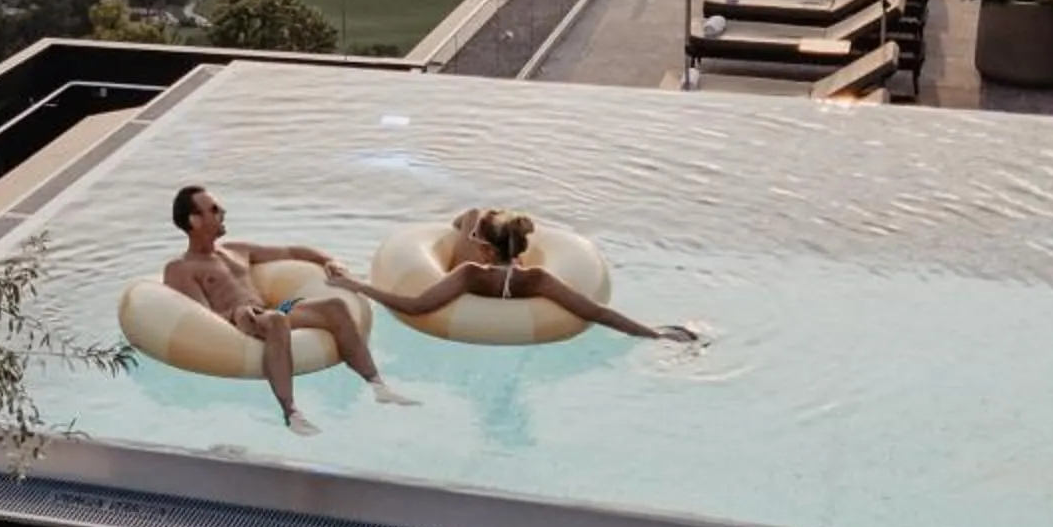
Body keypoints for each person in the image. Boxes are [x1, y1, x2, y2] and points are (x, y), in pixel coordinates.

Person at [162, 185, 418, 435]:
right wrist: (234, 315)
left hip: (269, 310)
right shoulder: (181, 268)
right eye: (214, 209)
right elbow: (200, 319)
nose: (223, 212)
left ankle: (378, 386)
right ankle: (291, 413)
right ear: (194, 220)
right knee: (276, 320)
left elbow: (292, 251)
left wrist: (328, 261)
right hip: (240, 320)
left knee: (335, 307)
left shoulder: (236, 251)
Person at [326, 208, 704, 342]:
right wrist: (654, 334)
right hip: (513, 275)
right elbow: (595, 312)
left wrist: (355, 284)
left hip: (476, 284)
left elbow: (414, 305)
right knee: (477, 216)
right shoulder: (536, 279)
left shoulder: (470, 274)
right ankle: (477, 219)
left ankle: (471, 218)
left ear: (487, 252)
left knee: (472, 214)